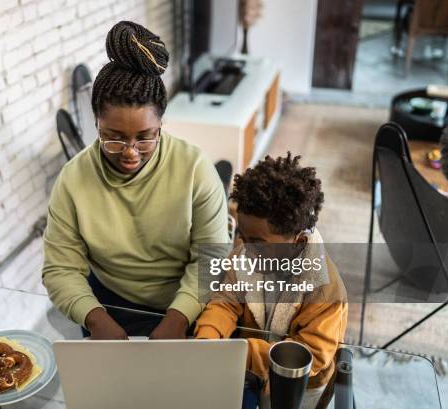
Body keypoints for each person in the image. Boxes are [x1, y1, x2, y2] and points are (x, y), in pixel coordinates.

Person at [42, 21, 229, 340]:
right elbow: (61, 269)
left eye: (145, 138)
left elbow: (211, 260)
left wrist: (179, 317)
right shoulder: (73, 180)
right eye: (112, 138)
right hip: (111, 304)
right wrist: (95, 318)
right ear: (97, 124)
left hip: (186, 301)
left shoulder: (195, 169)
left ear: (161, 125)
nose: (130, 153)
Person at [195, 153, 348, 409]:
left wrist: (235, 352)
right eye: (242, 236)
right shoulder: (244, 256)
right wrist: (207, 339)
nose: (244, 247)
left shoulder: (326, 291)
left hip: (297, 390)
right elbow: (224, 303)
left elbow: (313, 356)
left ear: (298, 242)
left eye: (257, 242)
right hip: (248, 375)